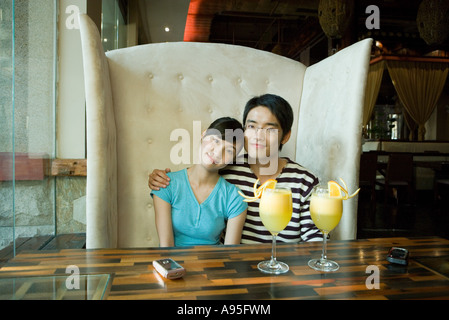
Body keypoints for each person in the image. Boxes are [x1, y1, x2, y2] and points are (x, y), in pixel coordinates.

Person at [149, 94, 322, 244]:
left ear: (286, 136)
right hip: (234, 268)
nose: (258, 136)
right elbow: (196, 177)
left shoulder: (304, 182)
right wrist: (161, 178)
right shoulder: (228, 167)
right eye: (251, 126)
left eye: (269, 129)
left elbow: (316, 241)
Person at [151, 117, 247, 247]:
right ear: (204, 134)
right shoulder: (166, 184)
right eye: (216, 141)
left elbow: (229, 253)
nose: (218, 152)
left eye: (229, 150)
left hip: (215, 265)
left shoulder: (235, 196)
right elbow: (166, 246)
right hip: (173, 264)